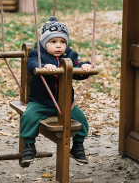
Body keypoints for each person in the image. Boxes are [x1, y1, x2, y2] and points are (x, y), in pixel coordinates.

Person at [20, 16, 92, 164]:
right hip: (41, 102)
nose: (58, 46)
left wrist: (85, 67)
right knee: (28, 117)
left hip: (65, 104)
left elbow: (77, 66)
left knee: (82, 120)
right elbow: (32, 65)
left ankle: (77, 146)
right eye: (53, 42)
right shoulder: (38, 54)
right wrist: (43, 67)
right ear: (44, 43)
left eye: (62, 42)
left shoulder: (70, 56)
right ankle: (29, 146)